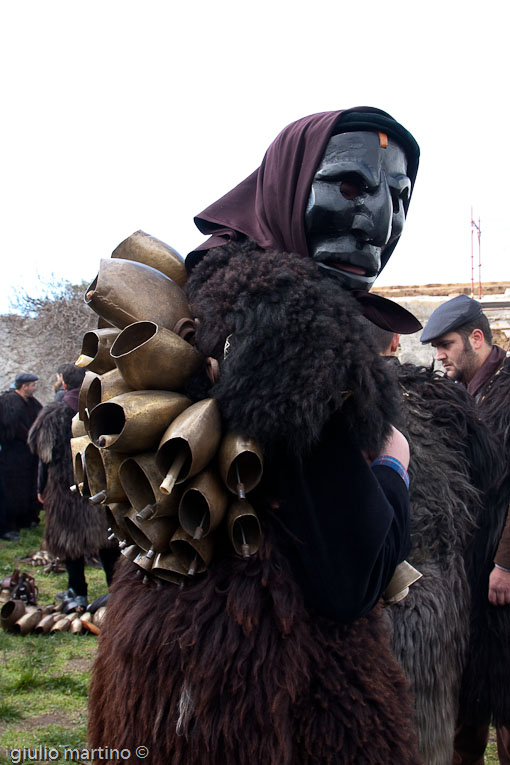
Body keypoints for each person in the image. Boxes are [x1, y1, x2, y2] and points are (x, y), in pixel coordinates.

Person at [89, 107, 422, 763]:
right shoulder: (293, 327)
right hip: (269, 695)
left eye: (400, 197)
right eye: (351, 186)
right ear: (291, 187)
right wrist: (393, 467)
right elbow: (352, 577)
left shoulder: (209, 297)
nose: (380, 221)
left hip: (164, 667)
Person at [365, 319, 498, 764]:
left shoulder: (330, 397)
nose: (440, 354)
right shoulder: (439, 398)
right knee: (429, 725)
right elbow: (487, 469)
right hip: (435, 593)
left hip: (366, 589)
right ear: (396, 341)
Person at [421, 294, 510, 765]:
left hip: (501, 576)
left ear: (477, 338)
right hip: (467, 580)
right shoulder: (458, 393)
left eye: (447, 344)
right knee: (465, 704)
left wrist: (505, 563)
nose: (440, 355)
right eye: (436, 347)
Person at [28, 363, 120, 610]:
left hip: (65, 490)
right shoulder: (103, 408)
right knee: (106, 540)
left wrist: (40, 488)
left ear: (64, 383)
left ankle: (77, 592)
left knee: (70, 542)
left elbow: (43, 455)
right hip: (99, 484)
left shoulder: (53, 414)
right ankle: (116, 592)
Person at [0, 373, 42, 532]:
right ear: (24, 386)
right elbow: (12, 427)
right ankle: (14, 521)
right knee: (15, 487)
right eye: (32, 385)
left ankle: (29, 517)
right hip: (14, 455)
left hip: (29, 453)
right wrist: (30, 437)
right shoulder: (9, 401)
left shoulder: (30, 402)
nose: (35, 388)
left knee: (29, 485)